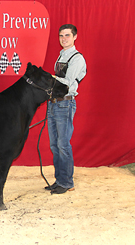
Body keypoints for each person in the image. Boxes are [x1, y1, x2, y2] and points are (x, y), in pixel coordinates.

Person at [46, 24, 87, 194]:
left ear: (75, 36)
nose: (64, 39)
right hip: (54, 102)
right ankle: (59, 179)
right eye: (61, 36)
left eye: (67, 35)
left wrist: (49, 79)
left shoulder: (77, 58)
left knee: (63, 144)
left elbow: (68, 83)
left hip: (65, 103)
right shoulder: (61, 55)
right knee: (54, 144)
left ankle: (67, 181)